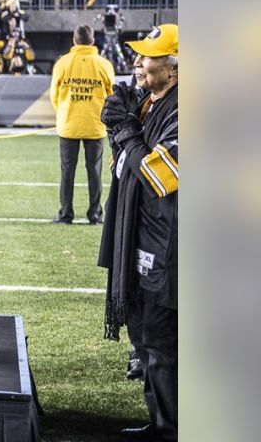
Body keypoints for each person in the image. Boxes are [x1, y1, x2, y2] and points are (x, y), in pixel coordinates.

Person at [98, 24, 178, 440]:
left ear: (175, 69)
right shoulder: (151, 102)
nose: (138, 62)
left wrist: (127, 130)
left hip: (168, 245)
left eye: (149, 56)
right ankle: (162, 421)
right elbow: (126, 164)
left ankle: (171, 427)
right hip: (141, 236)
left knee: (160, 339)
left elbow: (163, 177)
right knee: (145, 333)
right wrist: (122, 130)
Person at [50, 24, 115, 224]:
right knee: (94, 172)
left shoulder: (63, 63)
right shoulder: (104, 64)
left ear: (74, 40)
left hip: (69, 124)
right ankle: (95, 214)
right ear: (93, 40)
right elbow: (112, 95)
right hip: (95, 126)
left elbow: (54, 95)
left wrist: (63, 112)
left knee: (67, 172)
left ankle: (66, 214)